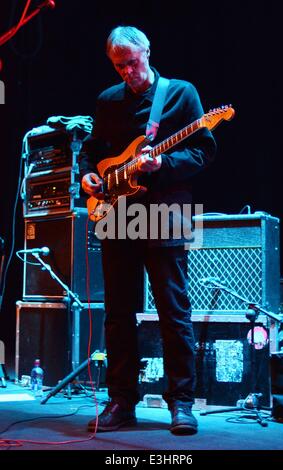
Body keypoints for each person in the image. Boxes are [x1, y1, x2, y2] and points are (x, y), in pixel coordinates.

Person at [79, 25, 216, 435]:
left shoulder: (181, 93)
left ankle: (182, 404)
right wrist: (87, 175)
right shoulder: (108, 101)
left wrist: (164, 166)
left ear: (147, 52)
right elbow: (92, 151)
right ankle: (121, 401)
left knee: (173, 310)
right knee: (118, 313)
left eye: (132, 63)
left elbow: (203, 150)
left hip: (164, 210)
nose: (128, 72)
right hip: (117, 213)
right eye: (119, 66)